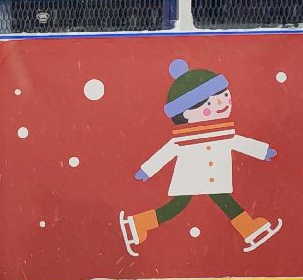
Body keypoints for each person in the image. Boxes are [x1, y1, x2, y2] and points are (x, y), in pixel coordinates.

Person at [120, 61, 281, 256]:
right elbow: (166, 152)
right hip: (190, 177)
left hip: (214, 176)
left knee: (220, 201)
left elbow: (238, 142)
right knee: (178, 206)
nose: (223, 104)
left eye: (225, 96)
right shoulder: (183, 138)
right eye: (212, 102)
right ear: (187, 113)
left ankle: (249, 229)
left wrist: (261, 151)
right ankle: (138, 224)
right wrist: (148, 169)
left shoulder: (223, 132)